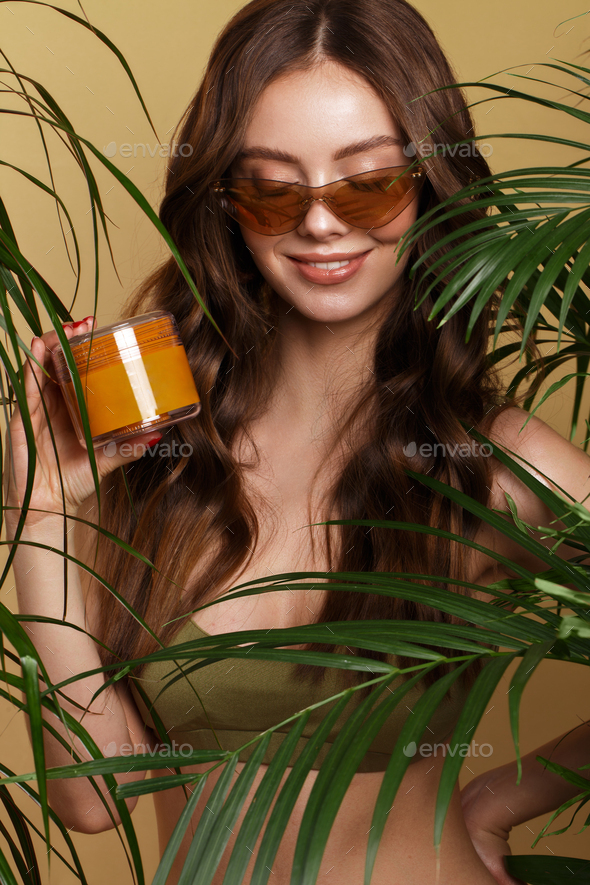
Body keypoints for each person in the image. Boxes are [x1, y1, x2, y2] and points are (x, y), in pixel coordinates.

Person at [4, 1, 590, 883]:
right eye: (273, 189)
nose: (319, 223)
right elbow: (95, 796)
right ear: (226, 204)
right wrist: (41, 512)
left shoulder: (492, 465)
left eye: (368, 183)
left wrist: (501, 797)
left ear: (431, 184)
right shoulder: (160, 454)